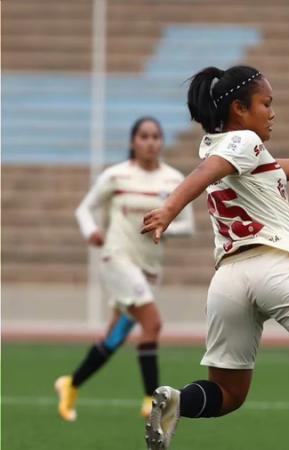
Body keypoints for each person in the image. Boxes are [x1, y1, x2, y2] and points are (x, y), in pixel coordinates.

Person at [139, 65, 289, 450]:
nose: (272, 112)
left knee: (227, 394)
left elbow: (273, 171)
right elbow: (204, 173)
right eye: (266, 103)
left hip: (228, 280)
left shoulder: (222, 144)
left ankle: (177, 401)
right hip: (275, 265)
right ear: (239, 110)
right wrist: (169, 208)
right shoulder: (243, 141)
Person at [56, 117, 195, 422]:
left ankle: (71, 383)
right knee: (153, 324)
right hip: (117, 259)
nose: (150, 142)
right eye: (144, 136)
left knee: (116, 335)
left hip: (150, 268)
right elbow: (84, 209)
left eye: (156, 136)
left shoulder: (174, 180)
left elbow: (189, 226)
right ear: (133, 141)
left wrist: (166, 226)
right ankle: (151, 398)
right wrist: (91, 230)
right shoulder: (116, 176)